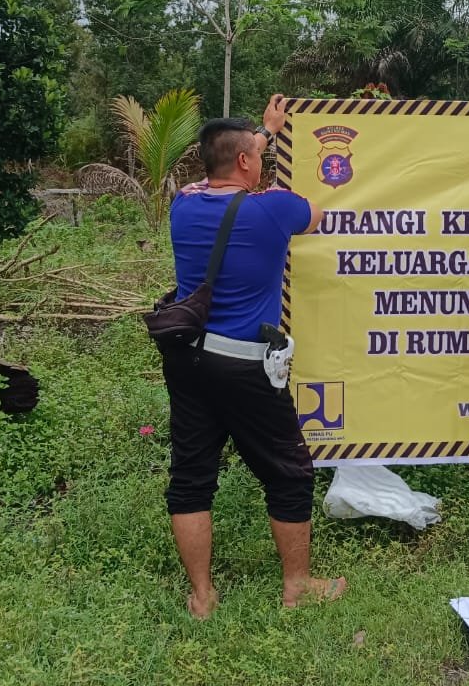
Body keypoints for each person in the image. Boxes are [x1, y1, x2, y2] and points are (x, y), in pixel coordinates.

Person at [163, 94, 345, 619]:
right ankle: (297, 586)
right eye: (256, 154)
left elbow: (224, 171)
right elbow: (316, 215)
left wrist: (265, 132)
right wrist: (268, 150)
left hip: (188, 357)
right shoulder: (273, 208)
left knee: (191, 477)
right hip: (245, 365)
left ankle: (202, 596)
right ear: (244, 161)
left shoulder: (183, 204)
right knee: (289, 473)